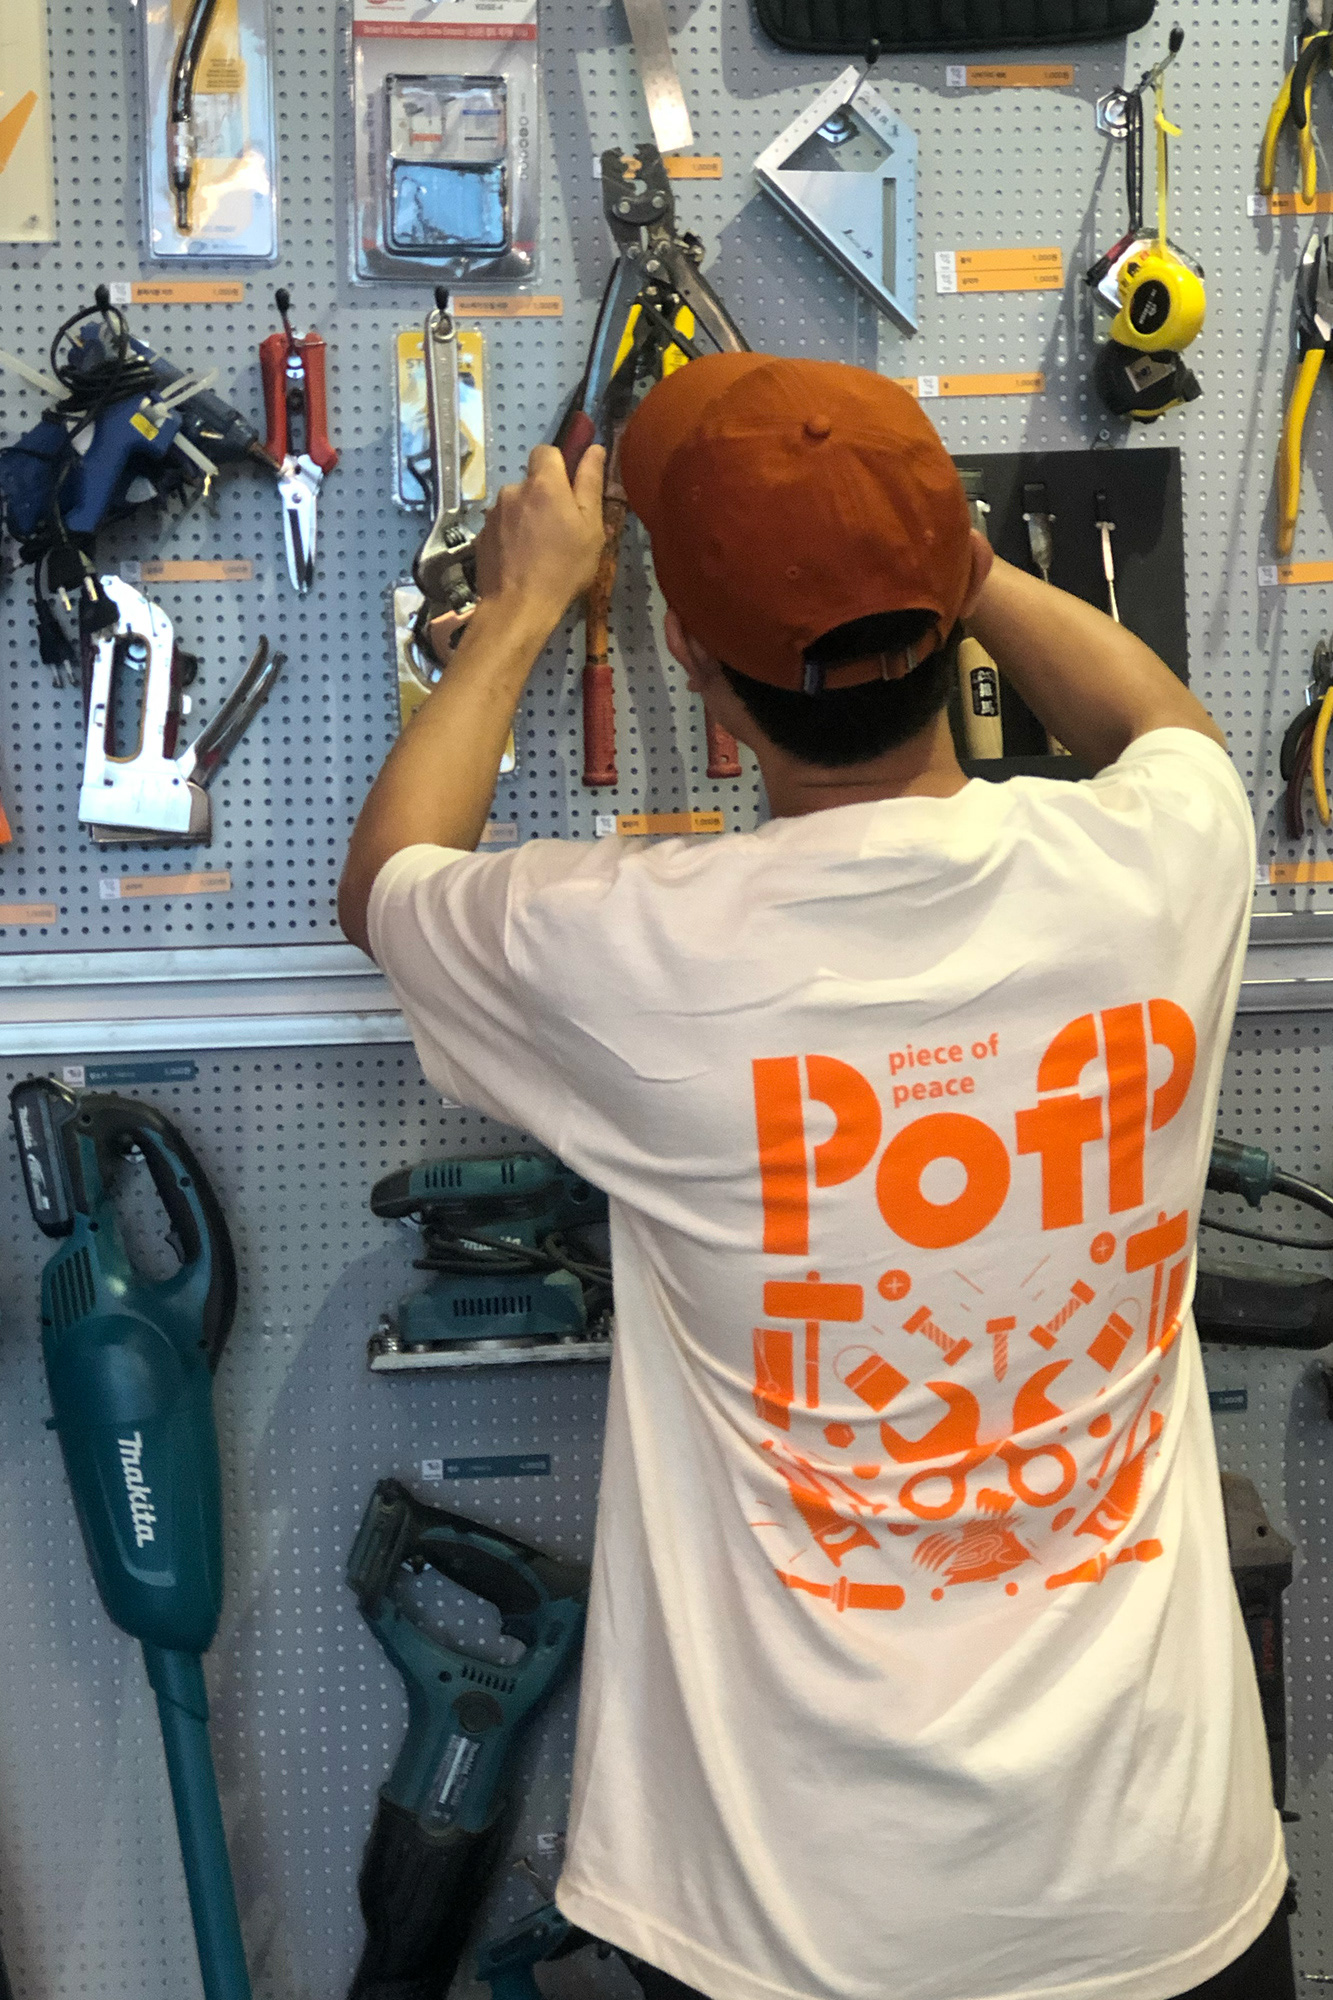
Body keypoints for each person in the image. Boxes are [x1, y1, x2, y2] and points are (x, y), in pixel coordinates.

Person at [339, 355, 1291, 2000]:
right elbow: (1159, 727)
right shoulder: (1156, 867)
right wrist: (962, 568)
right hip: (1157, 1891)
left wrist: (521, 609)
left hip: (791, 1924)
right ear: (950, 606)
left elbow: (388, 881)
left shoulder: (635, 953)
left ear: (696, 674)